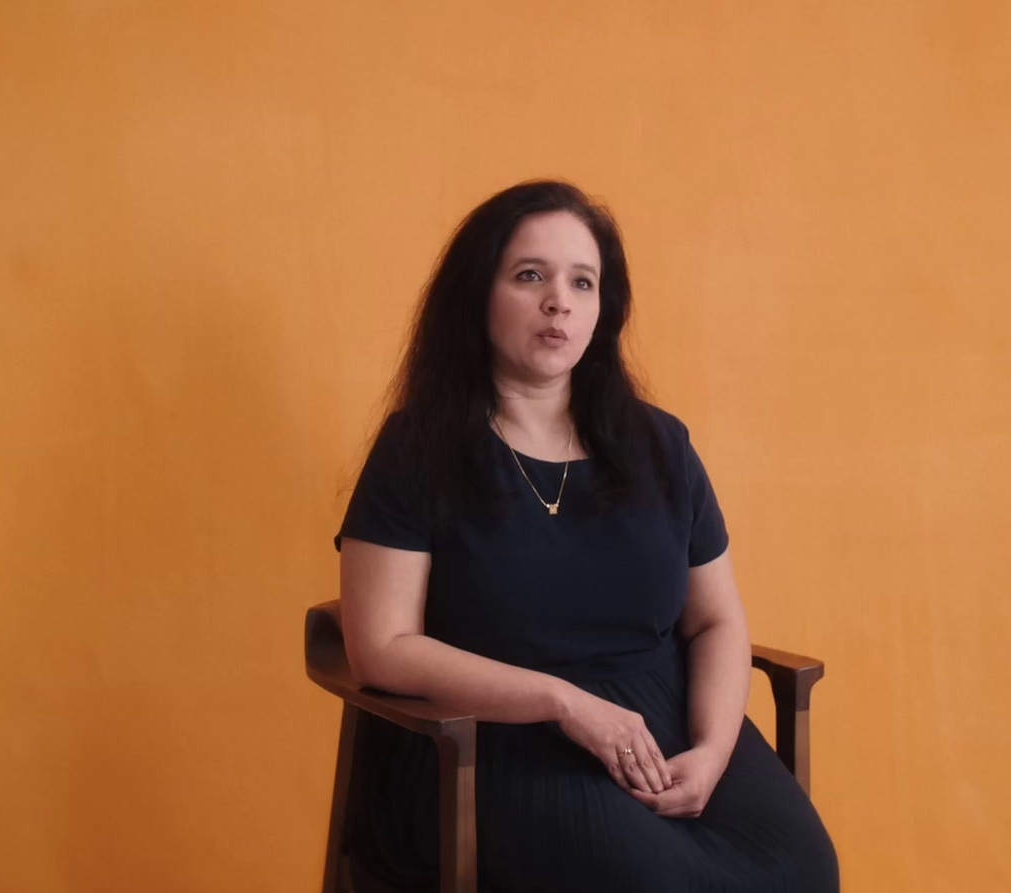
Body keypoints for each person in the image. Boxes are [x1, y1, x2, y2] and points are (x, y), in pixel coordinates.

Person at [333, 180, 839, 892]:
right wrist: (564, 702)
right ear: (478, 294)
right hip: (492, 738)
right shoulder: (421, 447)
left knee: (805, 869)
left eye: (583, 281)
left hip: (666, 722)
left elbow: (718, 618)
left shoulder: (660, 444)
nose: (558, 301)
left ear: (605, 308)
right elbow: (378, 647)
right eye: (529, 275)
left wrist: (714, 748)